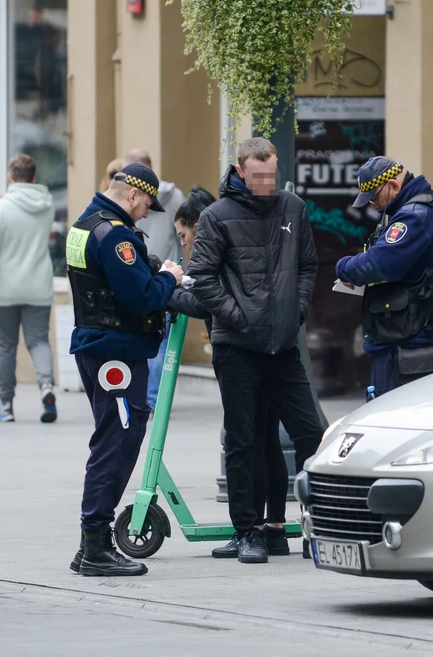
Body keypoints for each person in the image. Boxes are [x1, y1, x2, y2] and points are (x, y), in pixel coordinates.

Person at [187, 137, 323, 564]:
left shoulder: (293, 208)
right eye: (259, 175)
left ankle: (316, 526)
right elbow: (201, 276)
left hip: (282, 345)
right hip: (238, 347)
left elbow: (307, 265)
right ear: (241, 172)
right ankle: (247, 532)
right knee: (243, 440)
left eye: (273, 173)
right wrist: (239, 315)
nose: (268, 182)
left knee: (311, 434)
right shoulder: (216, 216)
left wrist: (295, 311)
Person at [66, 163, 184, 576]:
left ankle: (89, 546)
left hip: (96, 347)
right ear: (134, 194)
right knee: (116, 442)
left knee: (112, 438)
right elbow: (141, 298)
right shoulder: (115, 235)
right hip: (115, 352)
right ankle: (95, 545)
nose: (144, 214)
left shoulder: (85, 224)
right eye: (146, 205)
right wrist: (169, 277)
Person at [171, 185, 290, 559]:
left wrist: (165, 288)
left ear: (195, 224)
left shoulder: (216, 242)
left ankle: (250, 531)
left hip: (242, 352)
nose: (186, 244)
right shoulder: (239, 231)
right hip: (271, 346)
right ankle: (274, 529)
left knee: (246, 441)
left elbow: (206, 301)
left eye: (183, 235)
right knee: (267, 439)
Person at [336, 156, 433, 398]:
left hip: (407, 342)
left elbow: (380, 263)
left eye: (374, 198)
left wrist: (344, 267)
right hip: (420, 335)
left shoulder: (414, 217)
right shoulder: (432, 206)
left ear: (393, 186)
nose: (373, 207)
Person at [0, 154, 57, 423]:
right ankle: (46, 386)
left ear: (10, 178)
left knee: (5, 346)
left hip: (4, 290)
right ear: (33, 178)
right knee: (39, 340)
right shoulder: (47, 205)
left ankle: (5, 406)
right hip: (38, 286)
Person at [123, 149, 186, 410]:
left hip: (141, 275)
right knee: (161, 342)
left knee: (148, 339)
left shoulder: (127, 199)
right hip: (167, 274)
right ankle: (152, 398)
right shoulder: (176, 197)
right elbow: (181, 236)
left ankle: (144, 397)